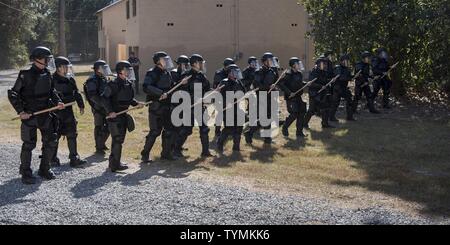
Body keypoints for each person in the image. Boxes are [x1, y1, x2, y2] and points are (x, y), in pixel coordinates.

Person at [8, 46, 65, 184]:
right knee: (28, 144)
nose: (48, 61)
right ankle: (26, 173)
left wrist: (58, 102)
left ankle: (44, 169)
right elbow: (13, 93)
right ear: (38, 59)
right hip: (30, 115)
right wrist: (21, 111)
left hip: (45, 114)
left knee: (51, 141)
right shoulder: (25, 75)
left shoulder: (47, 74)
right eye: (46, 59)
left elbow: (52, 91)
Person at [102, 61, 144, 172]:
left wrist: (137, 104)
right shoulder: (113, 84)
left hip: (123, 115)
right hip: (114, 116)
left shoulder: (128, 84)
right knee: (117, 140)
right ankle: (115, 165)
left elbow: (129, 99)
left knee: (119, 140)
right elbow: (104, 98)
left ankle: (114, 162)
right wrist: (110, 111)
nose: (129, 72)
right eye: (127, 70)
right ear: (120, 71)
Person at [175, 54, 214, 158]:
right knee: (187, 129)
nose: (202, 65)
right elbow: (180, 92)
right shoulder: (186, 75)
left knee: (204, 129)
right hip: (189, 107)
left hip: (200, 107)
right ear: (195, 64)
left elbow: (206, 89)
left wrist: (214, 92)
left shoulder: (201, 76)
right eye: (200, 63)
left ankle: (205, 152)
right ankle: (176, 149)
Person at [141, 52, 177, 163]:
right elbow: (146, 87)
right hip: (156, 107)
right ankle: (145, 154)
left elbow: (171, 87)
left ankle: (166, 154)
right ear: (158, 61)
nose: (166, 61)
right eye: (164, 59)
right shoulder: (152, 73)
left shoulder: (167, 73)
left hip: (167, 107)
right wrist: (160, 93)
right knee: (155, 132)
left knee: (169, 131)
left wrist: (180, 83)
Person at [51, 56, 87, 168]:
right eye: (64, 66)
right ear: (58, 68)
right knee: (55, 135)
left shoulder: (70, 79)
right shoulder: (51, 80)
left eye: (68, 66)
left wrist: (81, 105)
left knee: (72, 133)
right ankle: (52, 159)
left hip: (69, 111)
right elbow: (49, 95)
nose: (67, 68)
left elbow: (76, 92)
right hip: (56, 112)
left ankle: (74, 158)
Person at [244, 52, 279, 145]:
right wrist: (269, 86)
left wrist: (275, 86)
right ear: (264, 62)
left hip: (271, 96)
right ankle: (250, 133)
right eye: (270, 60)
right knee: (264, 118)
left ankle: (266, 138)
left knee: (268, 118)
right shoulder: (258, 72)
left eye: (272, 60)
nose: (271, 62)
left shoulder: (272, 71)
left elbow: (275, 83)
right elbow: (257, 86)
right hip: (262, 97)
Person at [84, 60, 112, 154]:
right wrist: (103, 105)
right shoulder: (92, 80)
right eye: (103, 68)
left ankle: (102, 143)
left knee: (109, 125)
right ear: (98, 69)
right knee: (99, 126)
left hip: (106, 107)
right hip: (98, 107)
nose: (105, 70)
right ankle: (98, 147)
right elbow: (93, 96)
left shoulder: (104, 78)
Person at [216, 64, 246, 153]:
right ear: (229, 73)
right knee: (229, 128)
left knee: (239, 127)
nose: (236, 74)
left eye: (237, 72)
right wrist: (226, 103)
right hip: (227, 108)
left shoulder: (238, 82)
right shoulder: (224, 82)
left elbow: (243, 91)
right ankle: (220, 143)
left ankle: (236, 147)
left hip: (237, 107)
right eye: (234, 72)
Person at [279, 57, 308, 139]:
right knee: (294, 114)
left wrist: (305, 83)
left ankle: (299, 132)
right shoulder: (288, 74)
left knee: (302, 113)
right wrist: (289, 92)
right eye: (297, 63)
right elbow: (281, 84)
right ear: (293, 65)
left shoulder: (299, 73)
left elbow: (299, 83)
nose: (299, 65)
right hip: (290, 98)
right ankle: (285, 127)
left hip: (298, 96)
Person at [303, 57, 335, 129]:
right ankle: (304, 124)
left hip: (322, 93)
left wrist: (330, 80)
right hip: (314, 93)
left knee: (325, 108)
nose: (324, 65)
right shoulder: (313, 72)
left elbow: (324, 81)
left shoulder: (324, 72)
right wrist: (320, 86)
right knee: (311, 110)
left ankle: (325, 123)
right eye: (323, 63)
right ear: (318, 64)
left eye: (325, 64)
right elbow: (311, 83)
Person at [329, 54, 356, 122]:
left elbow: (348, 76)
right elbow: (341, 77)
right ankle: (331, 117)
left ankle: (349, 116)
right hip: (337, 88)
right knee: (335, 103)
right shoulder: (338, 68)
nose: (347, 62)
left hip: (343, 88)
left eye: (347, 61)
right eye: (345, 61)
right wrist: (349, 78)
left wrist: (353, 76)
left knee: (349, 100)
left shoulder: (347, 69)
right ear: (341, 61)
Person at [213, 58, 236, 138]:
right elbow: (217, 86)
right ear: (226, 66)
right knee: (220, 114)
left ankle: (228, 130)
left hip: (230, 96)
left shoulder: (233, 72)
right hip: (221, 96)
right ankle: (217, 130)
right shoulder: (219, 73)